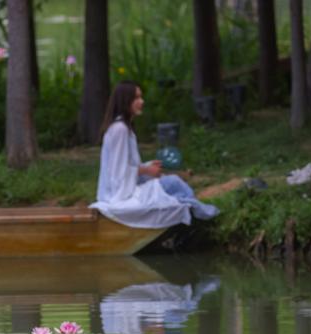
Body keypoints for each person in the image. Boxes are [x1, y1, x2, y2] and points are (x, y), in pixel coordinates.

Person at [91, 80, 219, 229]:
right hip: (119, 195)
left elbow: (125, 166)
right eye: (136, 98)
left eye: (141, 97)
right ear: (126, 101)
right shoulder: (120, 129)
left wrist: (147, 167)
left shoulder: (124, 128)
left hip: (125, 188)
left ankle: (198, 216)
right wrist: (146, 170)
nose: (142, 101)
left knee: (173, 184)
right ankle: (202, 218)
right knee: (174, 183)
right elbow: (118, 172)